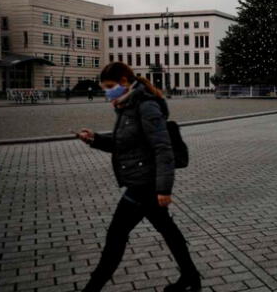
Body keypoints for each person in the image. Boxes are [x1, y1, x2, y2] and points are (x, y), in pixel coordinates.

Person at [76, 62, 200, 292]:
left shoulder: (146, 106)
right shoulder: (128, 106)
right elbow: (124, 145)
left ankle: (91, 290)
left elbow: (163, 149)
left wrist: (164, 189)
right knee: (168, 230)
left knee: (116, 235)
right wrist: (95, 139)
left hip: (145, 184)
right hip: (145, 182)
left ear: (124, 82)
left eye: (110, 86)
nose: (107, 92)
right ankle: (191, 277)